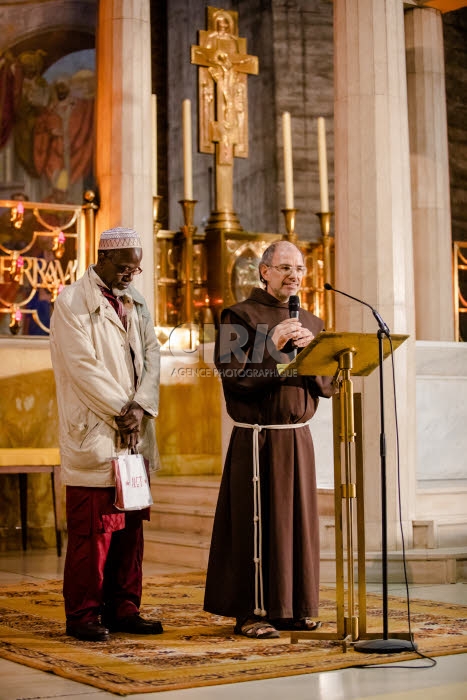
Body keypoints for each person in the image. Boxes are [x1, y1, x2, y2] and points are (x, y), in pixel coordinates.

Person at [203, 240, 336, 639]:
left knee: (297, 525)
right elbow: (234, 377)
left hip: (297, 438)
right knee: (255, 524)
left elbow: (328, 387)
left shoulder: (312, 322)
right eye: (284, 268)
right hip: (257, 440)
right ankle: (252, 612)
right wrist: (271, 346)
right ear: (264, 271)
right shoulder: (238, 315)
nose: (294, 276)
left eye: (299, 269)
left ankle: (293, 608)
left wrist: (315, 355)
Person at [50, 226, 162, 642]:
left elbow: (152, 354)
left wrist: (141, 407)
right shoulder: (72, 301)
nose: (132, 273)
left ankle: (124, 608)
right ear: (104, 257)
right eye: (126, 266)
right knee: (93, 532)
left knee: (131, 528)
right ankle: (83, 615)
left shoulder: (136, 299)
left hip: (133, 433)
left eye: (137, 266)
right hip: (97, 431)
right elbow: (82, 368)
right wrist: (122, 410)